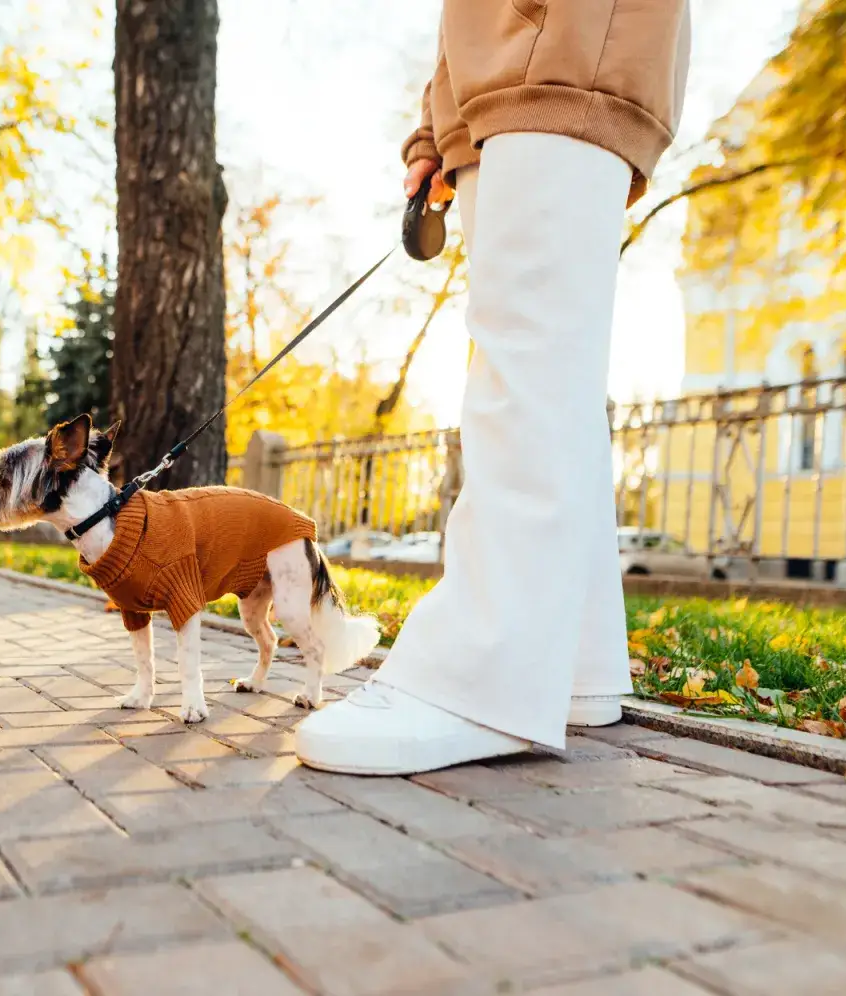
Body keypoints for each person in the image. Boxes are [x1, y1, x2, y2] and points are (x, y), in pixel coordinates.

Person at [296, 0, 691, 775]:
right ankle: (576, 666)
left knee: (525, 358)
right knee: (554, 372)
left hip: (561, 45)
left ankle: (479, 678)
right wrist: (436, 124)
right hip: (510, 69)